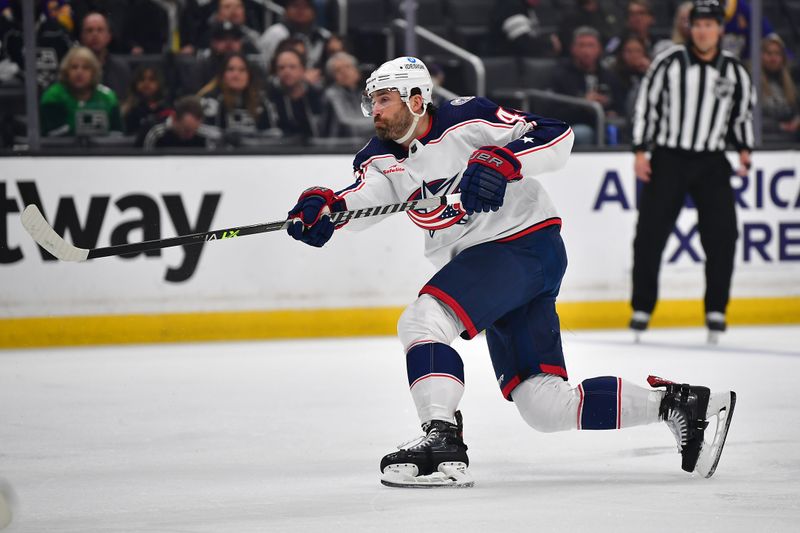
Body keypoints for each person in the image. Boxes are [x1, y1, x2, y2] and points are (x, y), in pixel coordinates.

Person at [284, 55, 737, 488]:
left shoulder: (467, 119)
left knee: (423, 321)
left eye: (384, 99)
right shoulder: (378, 157)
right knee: (544, 405)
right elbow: (365, 197)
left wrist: (505, 159)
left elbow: (557, 135)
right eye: (372, 101)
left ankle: (441, 439)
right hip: (496, 267)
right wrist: (329, 207)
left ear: (416, 99)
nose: (374, 111)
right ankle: (680, 405)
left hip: (523, 243)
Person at [629, 0, 755, 341]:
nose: (703, 30)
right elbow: (647, 107)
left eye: (709, 25)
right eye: (698, 24)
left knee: (723, 235)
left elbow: (741, 117)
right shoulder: (668, 62)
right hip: (669, 157)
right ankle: (642, 307)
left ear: (719, 29)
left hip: (712, 160)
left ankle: (716, 310)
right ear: (690, 28)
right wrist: (641, 150)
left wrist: (744, 150)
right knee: (650, 233)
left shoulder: (734, 71)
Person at [552, 26, 624, 144]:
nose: (586, 51)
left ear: (599, 49)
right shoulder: (561, 75)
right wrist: (583, 103)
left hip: (604, 122)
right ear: (573, 49)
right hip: (574, 124)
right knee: (583, 133)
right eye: (581, 45)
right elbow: (554, 113)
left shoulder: (608, 75)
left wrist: (611, 109)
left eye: (591, 45)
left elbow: (620, 106)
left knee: (614, 129)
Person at [40, 46, 122, 136]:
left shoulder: (108, 97)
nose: (79, 72)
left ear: (94, 72)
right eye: (74, 67)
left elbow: (117, 133)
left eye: (86, 68)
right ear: (66, 71)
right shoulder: (53, 96)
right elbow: (56, 134)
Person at [198, 52, 278, 144]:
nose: (236, 75)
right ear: (223, 75)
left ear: (249, 75)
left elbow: (273, 135)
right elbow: (204, 134)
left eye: (242, 70)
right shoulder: (211, 100)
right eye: (230, 69)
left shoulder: (262, 101)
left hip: (255, 154)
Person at [257, 0, 332, 73]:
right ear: (286, 11)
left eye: (306, 7)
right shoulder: (275, 33)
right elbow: (264, 65)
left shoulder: (323, 36)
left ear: (314, 12)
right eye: (295, 6)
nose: (300, 10)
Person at [267, 48, 324, 139]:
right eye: (281, 68)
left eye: (292, 67)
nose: (286, 71)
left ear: (302, 70)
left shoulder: (317, 96)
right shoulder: (270, 99)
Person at [79, 12, 130, 100]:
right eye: (89, 30)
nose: (95, 35)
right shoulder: (74, 68)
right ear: (82, 36)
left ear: (109, 36)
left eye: (100, 30)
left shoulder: (120, 69)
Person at [321, 51, 373, 138]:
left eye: (348, 67)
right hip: (340, 147)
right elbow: (347, 124)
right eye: (338, 70)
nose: (344, 72)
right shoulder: (332, 94)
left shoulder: (363, 93)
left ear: (357, 71)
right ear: (332, 77)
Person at [759, 34, 800, 142]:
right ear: (760, 56)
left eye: (777, 54)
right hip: (764, 142)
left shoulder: (792, 83)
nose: (773, 58)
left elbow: (796, 110)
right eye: (769, 53)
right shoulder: (752, 83)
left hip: (791, 141)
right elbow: (751, 120)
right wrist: (779, 126)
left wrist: (797, 120)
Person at [142, 94, 220, 149]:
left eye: (194, 130)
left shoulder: (206, 135)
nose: (190, 135)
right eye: (186, 130)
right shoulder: (156, 133)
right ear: (174, 118)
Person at [489, 0, 561, 57]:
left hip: (519, 62)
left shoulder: (527, 7)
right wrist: (550, 44)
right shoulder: (511, 6)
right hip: (506, 64)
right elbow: (523, 43)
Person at [121, 64, 173, 136]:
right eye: (142, 79)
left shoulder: (167, 108)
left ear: (159, 83)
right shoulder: (129, 110)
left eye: (151, 79)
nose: (146, 83)